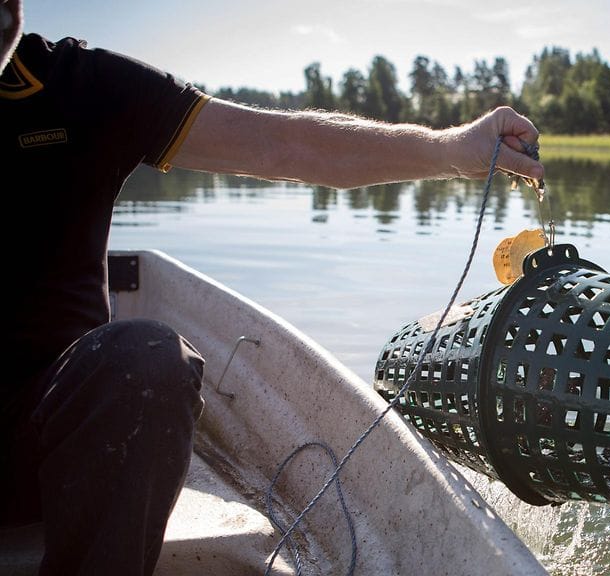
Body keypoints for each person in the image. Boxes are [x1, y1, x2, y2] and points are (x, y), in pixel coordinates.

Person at [0, 0, 545, 574]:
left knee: (148, 358)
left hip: (40, 446)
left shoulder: (80, 86)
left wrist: (453, 151)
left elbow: (286, 145)